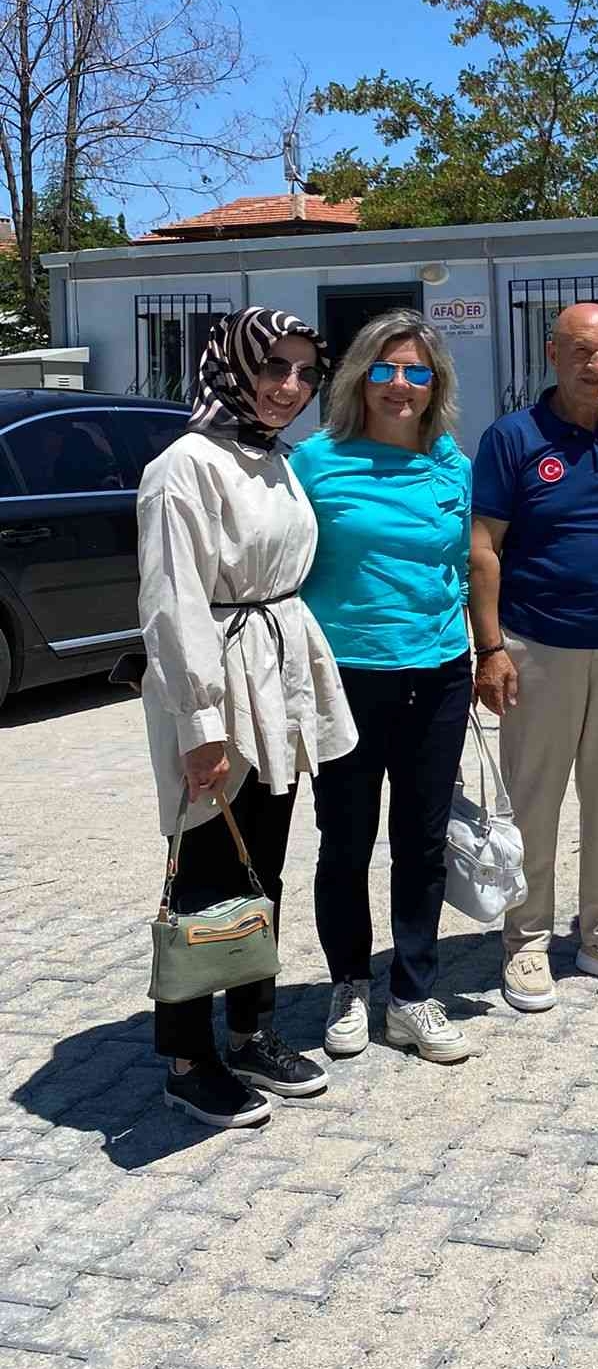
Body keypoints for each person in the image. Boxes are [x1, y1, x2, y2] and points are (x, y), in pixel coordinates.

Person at [137, 307, 356, 1129]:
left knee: (260, 864)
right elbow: (173, 604)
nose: (289, 387)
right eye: (273, 367)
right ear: (233, 366)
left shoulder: (277, 460)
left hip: (276, 681)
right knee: (204, 870)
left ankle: (251, 1029)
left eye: (304, 372)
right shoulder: (184, 466)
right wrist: (202, 728)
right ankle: (187, 1058)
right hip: (219, 686)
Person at [470, 303, 598, 1012]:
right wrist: (490, 648)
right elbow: (484, 548)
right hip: (538, 645)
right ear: (553, 353)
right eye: (584, 352)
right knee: (534, 800)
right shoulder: (512, 437)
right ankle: (526, 940)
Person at [292, 311, 474, 1066]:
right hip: (345, 678)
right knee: (345, 840)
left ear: (435, 385)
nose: (401, 385)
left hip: (438, 674)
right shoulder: (315, 462)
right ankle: (348, 985)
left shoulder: (451, 465)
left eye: (417, 372)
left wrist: (488, 649)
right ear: (360, 378)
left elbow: (463, 565)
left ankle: (412, 995)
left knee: (423, 844)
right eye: (386, 369)